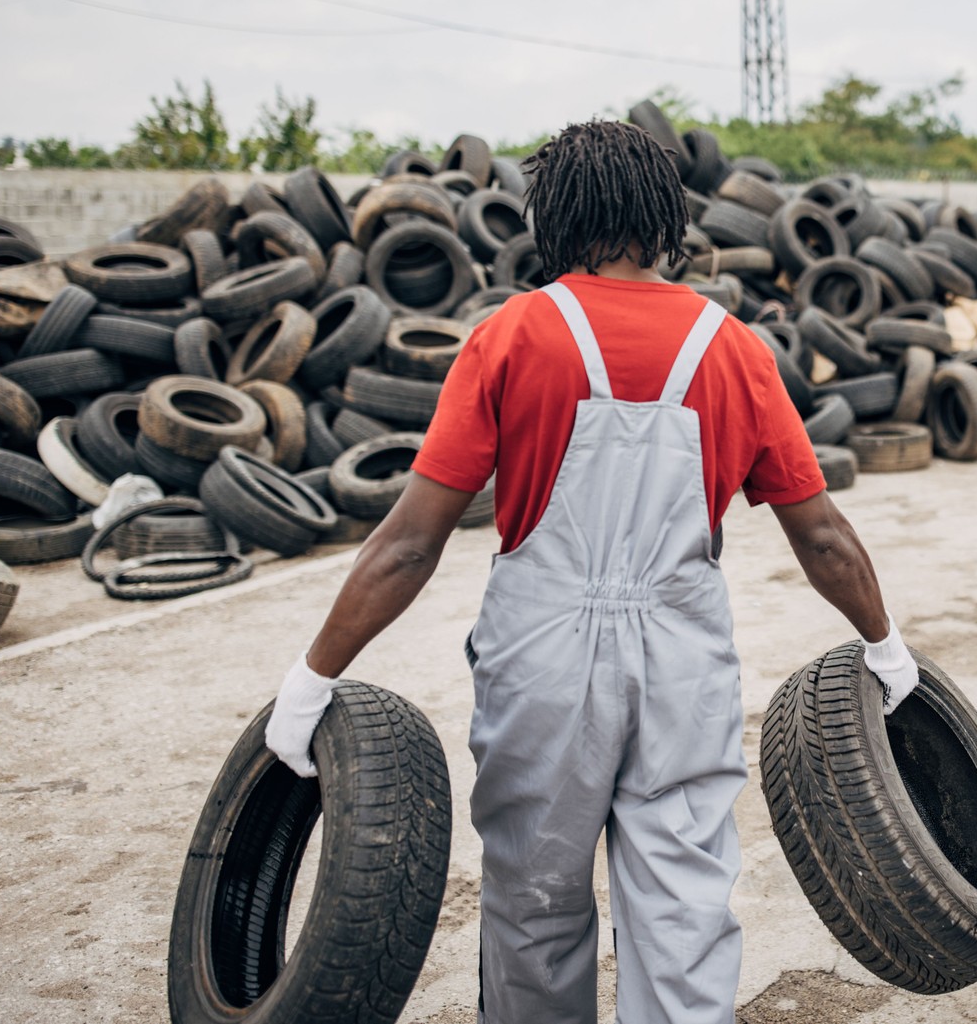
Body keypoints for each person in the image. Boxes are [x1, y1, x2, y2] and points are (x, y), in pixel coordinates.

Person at [262, 119, 918, 1024]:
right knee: (684, 910)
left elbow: (411, 541)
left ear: (555, 218)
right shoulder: (733, 347)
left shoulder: (509, 336)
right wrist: (884, 646)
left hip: (541, 657)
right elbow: (825, 537)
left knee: (534, 903)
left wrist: (313, 675)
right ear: (665, 218)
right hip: (683, 656)